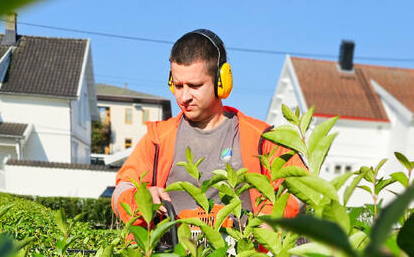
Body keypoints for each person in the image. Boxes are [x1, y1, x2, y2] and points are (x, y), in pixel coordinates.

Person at [112, 28, 305, 227]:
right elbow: (121, 191)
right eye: (178, 86)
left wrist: (268, 223)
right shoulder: (157, 139)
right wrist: (140, 199)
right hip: (171, 256)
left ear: (221, 81)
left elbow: (301, 187)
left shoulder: (261, 138)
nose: (183, 97)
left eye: (194, 86)